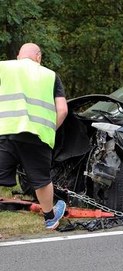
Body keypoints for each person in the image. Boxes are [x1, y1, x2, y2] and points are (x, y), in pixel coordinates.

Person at [0, 43, 68, 230]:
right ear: (38, 57)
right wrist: (49, 128)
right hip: (37, 136)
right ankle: (50, 218)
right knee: (41, 180)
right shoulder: (49, 75)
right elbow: (62, 110)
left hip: (5, 131)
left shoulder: (3, 67)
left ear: (18, 56)